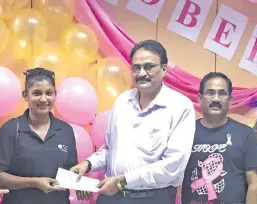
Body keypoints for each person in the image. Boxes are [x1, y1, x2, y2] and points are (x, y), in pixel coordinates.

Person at [70, 40, 196, 204]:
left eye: (149, 66)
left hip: (153, 198)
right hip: (111, 198)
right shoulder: (123, 101)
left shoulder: (180, 106)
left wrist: (123, 181)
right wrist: (87, 164)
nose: (142, 73)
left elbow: (172, 166)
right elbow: (110, 149)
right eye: (136, 67)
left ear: (164, 69)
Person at [0, 67, 79, 204]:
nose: (43, 99)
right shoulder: (11, 129)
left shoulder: (65, 130)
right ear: (25, 95)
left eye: (49, 93)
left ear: (55, 94)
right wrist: (34, 183)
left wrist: (81, 185)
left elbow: (71, 172)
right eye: (37, 93)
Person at [181, 72, 257, 204]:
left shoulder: (246, 134)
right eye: (210, 92)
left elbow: (255, 186)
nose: (216, 98)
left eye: (222, 93)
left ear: (230, 99)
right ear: (200, 98)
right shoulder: (184, 132)